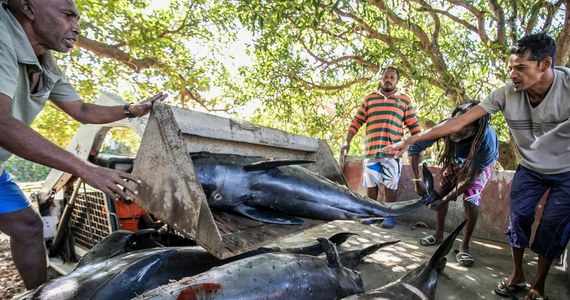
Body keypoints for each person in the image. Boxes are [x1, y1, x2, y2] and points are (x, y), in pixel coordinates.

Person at [382, 33, 570, 300]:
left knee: (552, 225)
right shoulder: (505, 94)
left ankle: (538, 284)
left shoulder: (567, 88)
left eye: (521, 68)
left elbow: (472, 177)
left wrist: (447, 195)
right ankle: (517, 275)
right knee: (519, 220)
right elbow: (456, 122)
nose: (513, 75)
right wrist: (410, 139)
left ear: (545, 64)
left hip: (566, 172)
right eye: (510, 68)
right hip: (530, 168)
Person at [0, 0, 167, 289]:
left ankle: (37, 295)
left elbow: (82, 111)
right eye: (67, 16)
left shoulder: (45, 60)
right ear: (28, 8)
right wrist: (86, 169)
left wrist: (130, 109)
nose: (76, 27)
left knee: (28, 227)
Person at [408, 100, 498, 267]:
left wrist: (445, 200)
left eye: (463, 125)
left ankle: (464, 246)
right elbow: (414, 147)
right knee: (441, 192)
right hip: (456, 160)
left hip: (478, 165)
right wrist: (417, 180)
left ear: (475, 128)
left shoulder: (486, 142)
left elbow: (470, 179)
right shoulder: (446, 126)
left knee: (470, 200)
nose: (455, 128)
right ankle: (439, 235)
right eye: (455, 123)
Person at [340, 67, 421, 229]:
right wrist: (347, 142)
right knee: (371, 185)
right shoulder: (370, 99)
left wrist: (412, 145)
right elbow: (356, 122)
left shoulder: (404, 100)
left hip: (393, 153)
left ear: (396, 81)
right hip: (371, 151)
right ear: (381, 79)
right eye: (386, 77)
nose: (388, 80)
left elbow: (415, 128)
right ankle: (372, 214)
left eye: (392, 77)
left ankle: (388, 215)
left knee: (391, 185)